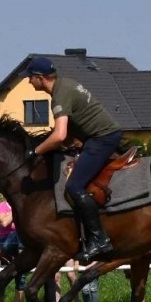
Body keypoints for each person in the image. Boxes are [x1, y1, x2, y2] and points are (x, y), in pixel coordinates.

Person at [25, 56, 124, 263]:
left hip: (101, 139)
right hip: (100, 137)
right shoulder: (66, 84)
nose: (28, 82)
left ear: (40, 78)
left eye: (30, 78)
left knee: (74, 186)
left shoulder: (60, 95)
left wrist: (36, 151)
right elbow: (67, 135)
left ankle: (99, 239)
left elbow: (60, 135)